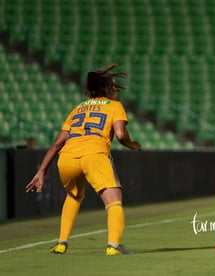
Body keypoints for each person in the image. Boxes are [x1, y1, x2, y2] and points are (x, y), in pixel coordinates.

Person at [25, 64, 141, 255]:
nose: (116, 90)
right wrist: (132, 144)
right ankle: (113, 245)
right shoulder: (115, 106)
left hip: (67, 158)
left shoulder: (78, 108)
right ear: (105, 89)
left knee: (74, 196)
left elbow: (56, 143)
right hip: (94, 155)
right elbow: (120, 134)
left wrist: (41, 171)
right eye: (113, 87)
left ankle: (62, 242)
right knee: (114, 201)